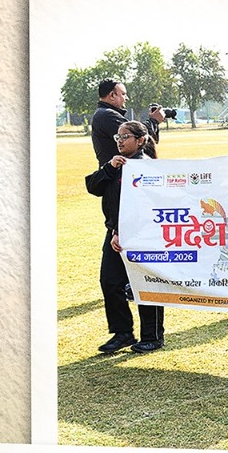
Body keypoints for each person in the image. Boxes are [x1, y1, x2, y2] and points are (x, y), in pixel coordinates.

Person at [85, 118, 165, 355]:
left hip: (141, 237)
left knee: (147, 284)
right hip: (115, 236)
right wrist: (109, 167)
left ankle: (152, 336)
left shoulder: (146, 168)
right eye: (117, 137)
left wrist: (121, 231)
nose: (119, 141)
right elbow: (93, 187)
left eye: (125, 137)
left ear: (140, 141)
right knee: (110, 282)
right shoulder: (117, 165)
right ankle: (123, 333)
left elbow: (142, 208)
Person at [90, 78, 128, 166]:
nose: (126, 98)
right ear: (112, 95)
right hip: (114, 173)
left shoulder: (102, 113)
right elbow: (136, 135)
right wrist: (154, 121)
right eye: (123, 94)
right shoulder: (107, 115)